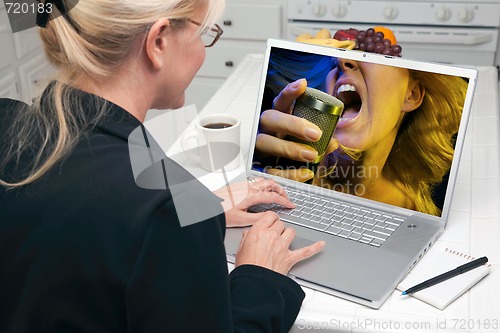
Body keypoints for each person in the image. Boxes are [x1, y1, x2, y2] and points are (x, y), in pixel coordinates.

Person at [0, 1, 325, 332]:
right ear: (159, 42)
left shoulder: (7, 118)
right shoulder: (162, 213)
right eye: (203, 34)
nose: (203, 50)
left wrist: (197, 204)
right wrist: (261, 278)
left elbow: (94, 160)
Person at [254, 49, 468, 216]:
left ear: (411, 95)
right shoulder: (287, 169)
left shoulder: (411, 213)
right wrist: (255, 177)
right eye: (333, 60)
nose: (341, 61)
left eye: (376, 56)